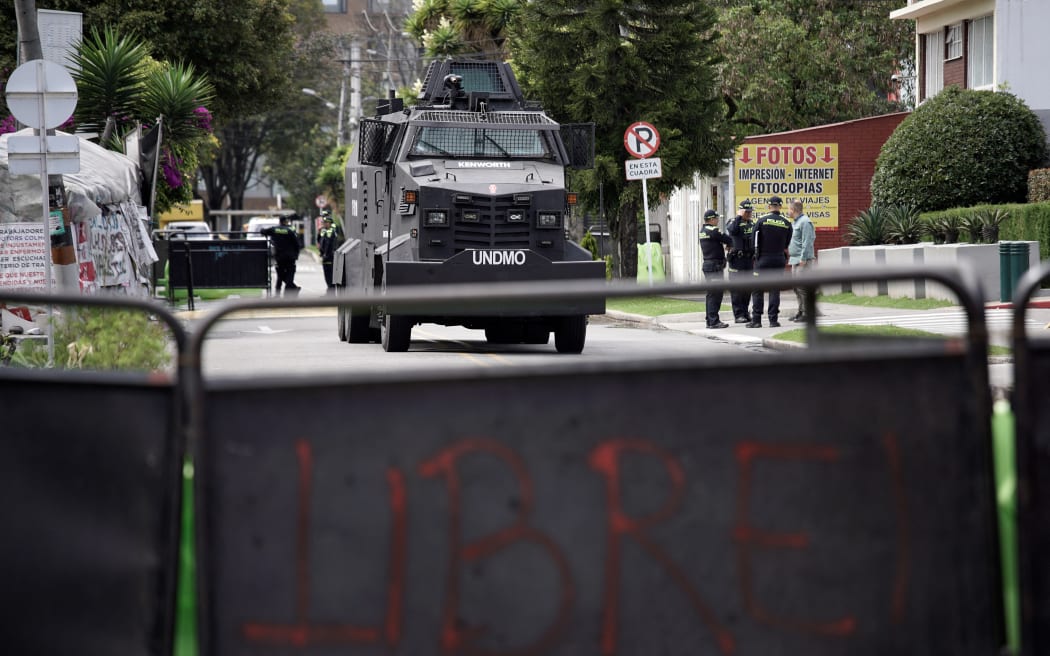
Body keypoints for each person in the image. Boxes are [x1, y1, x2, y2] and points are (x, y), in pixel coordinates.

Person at [746, 196, 792, 328]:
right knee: (774, 290)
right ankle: (773, 320)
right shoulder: (786, 223)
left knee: (757, 289)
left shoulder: (761, 221)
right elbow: (787, 243)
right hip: (778, 259)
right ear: (780, 207)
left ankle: (756, 320)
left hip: (763, 259)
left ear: (769, 206)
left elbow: (753, 241)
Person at [699, 209, 733, 329]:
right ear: (712, 219)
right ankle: (714, 321)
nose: (718, 220)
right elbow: (728, 239)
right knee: (716, 294)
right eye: (717, 218)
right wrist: (729, 244)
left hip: (708, 265)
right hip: (714, 266)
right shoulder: (713, 230)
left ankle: (710, 319)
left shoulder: (702, 231)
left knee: (711, 294)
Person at [725, 200, 756, 323]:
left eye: (750, 211)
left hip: (748, 260)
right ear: (741, 211)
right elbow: (732, 231)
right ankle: (738, 315)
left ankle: (745, 312)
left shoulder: (751, 224)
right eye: (746, 212)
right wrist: (739, 216)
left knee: (747, 288)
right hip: (736, 260)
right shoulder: (733, 222)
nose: (749, 214)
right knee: (737, 289)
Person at [787, 200, 816, 322]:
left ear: (793, 210)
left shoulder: (805, 222)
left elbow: (807, 241)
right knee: (796, 287)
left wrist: (803, 258)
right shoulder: (796, 222)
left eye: (788, 209)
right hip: (795, 259)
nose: (787, 211)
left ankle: (806, 313)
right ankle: (801, 311)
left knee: (802, 287)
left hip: (802, 260)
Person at [317, 211, 338, 293]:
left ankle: (331, 293)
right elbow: (320, 241)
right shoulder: (324, 230)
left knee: (329, 275)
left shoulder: (331, 229)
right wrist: (319, 233)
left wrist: (325, 254)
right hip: (325, 256)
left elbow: (329, 244)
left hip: (329, 256)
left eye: (325, 222)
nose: (323, 222)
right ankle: (329, 292)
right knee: (327, 276)